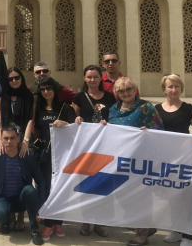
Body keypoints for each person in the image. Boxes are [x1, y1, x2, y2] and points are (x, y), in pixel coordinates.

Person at [104, 76, 162, 246]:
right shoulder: (114, 110)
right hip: (121, 159)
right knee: (122, 194)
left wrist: (148, 131)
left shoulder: (146, 107)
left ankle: (141, 235)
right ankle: (145, 226)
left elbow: (159, 128)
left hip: (141, 159)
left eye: (129, 89)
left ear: (135, 89)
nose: (125, 93)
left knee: (141, 196)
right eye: (121, 90)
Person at [71, 64, 116, 238]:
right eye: (89, 77)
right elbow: (73, 117)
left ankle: (99, 222)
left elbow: (115, 118)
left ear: (100, 78)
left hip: (105, 146)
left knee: (103, 184)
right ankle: (86, 221)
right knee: (86, 185)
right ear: (85, 78)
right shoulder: (79, 97)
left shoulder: (110, 97)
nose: (92, 80)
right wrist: (77, 118)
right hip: (86, 147)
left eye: (95, 76)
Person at [30, 77, 76, 241]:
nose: (46, 92)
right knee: (46, 189)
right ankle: (50, 223)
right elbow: (36, 129)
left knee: (60, 188)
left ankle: (56, 222)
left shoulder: (65, 108)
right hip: (44, 154)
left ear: (55, 90)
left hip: (61, 155)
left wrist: (66, 125)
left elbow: (77, 130)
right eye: (42, 89)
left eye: (49, 88)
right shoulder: (39, 109)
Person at [155, 74, 192, 246]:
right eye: (170, 86)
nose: (173, 90)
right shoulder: (157, 109)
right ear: (164, 89)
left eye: (177, 86)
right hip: (165, 157)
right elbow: (153, 128)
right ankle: (176, 229)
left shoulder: (188, 109)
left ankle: (189, 234)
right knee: (171, 194)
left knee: (187, 195)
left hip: (185, 157)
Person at [0, 126, 45, 245]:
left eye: (12, 138)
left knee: (30, 190)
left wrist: (41, 208)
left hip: (21, 199)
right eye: (6, 138)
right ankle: (6, 221)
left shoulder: (28, 156)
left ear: (18, 139)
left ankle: (34, 230)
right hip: (3, 198)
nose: (9, 141)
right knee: (0, 213)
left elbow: (40, 181)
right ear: (1, 139)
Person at [0, 67, 35, 158]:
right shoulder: (2, 97)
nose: (14, 81)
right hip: (6, 139)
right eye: (10, 79)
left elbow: (30, 120)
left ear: (21, 78)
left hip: (23, 137)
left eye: (17, 78)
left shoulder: (29, 96)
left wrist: (25, 141)